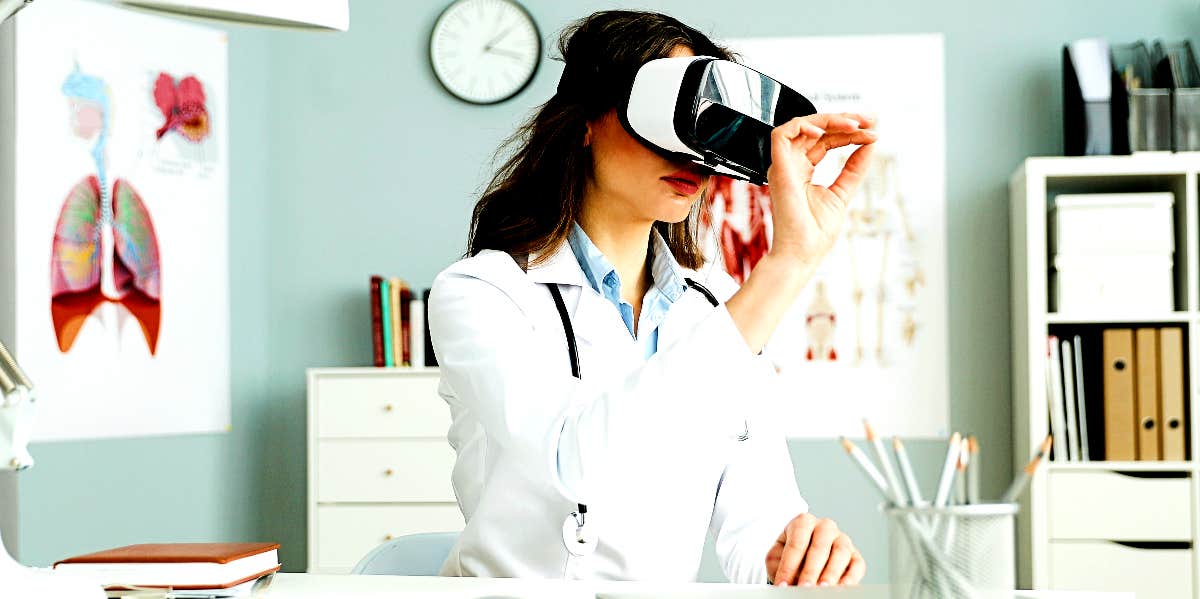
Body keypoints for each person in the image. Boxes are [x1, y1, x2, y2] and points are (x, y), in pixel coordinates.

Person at [428, 10, 877, 586]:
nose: (690, 153)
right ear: (588, 120)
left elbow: (757, 529)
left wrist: (798, 555)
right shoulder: (484, 292)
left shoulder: (712, 313)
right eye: (670, 115)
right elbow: (570, 463)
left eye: (703, 124)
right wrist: (786, 265)